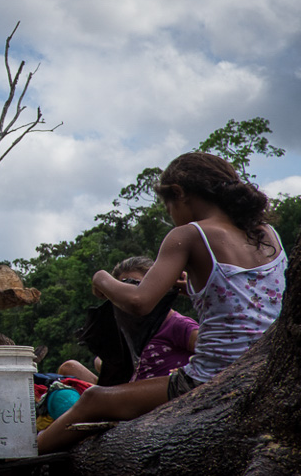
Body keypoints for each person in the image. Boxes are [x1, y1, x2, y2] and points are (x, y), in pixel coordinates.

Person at [38, 152, 286, 454]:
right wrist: (193, 289)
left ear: (179, 193)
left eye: (168, 207)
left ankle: (19, 458)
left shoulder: (189, 235)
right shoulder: (266, 233)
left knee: (94, 398)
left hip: (214, 377)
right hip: (266, 366)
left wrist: (101, 278)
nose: (170, 215)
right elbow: (253, 299)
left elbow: (139, 302)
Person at [58, 256, 199, 385]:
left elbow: (210, 350)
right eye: (123, 289)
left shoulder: (175, 324)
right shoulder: (127, 330)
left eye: (136, 286)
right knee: (70, 368)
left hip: (162, 391)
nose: (129, 296)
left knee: (92, 396)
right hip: (131, 389)